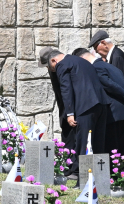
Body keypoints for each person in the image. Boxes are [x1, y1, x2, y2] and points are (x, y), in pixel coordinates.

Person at [39, 46, 106, 183]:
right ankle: (100, 178)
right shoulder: (79, 60)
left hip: (84, 107)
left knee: (82, 143)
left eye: (49, 66)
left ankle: (81, 179)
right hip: (100, 104)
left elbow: (66, 89)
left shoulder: (62, 65)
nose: (51, 70)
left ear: (53, 60)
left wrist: (70, 113)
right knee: (97, 143)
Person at [80, 49, 124, 169]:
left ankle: (114, 178)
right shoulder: (112, 67)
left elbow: (109, 84)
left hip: (113, 114)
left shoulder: (96, 68)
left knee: (113, 148)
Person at [89, 30, 124, 160]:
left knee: (122, 146)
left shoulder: (117, 56)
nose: (96, 52)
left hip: (123, 107)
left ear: (103, 43)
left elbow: (121, 82)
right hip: (122, 107)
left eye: (96, 48)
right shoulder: (111, 56)